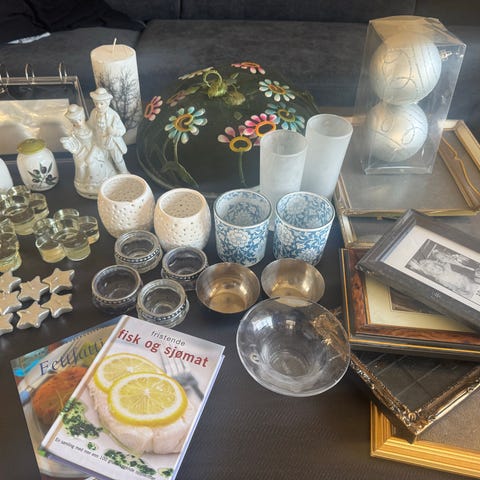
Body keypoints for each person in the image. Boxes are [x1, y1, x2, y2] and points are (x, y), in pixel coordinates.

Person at [60, 104, 117, 198]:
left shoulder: (91, 126)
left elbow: (98, 138)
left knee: (90, 161)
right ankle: (83, 184)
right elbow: (75, 144)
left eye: (80, 120)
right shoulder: (74, 132)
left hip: (95, 147)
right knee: (80, 165)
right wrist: (68, 145)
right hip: (82, 150)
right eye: (75, 122)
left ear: (83, 117)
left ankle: (97, 184)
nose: (78, 123)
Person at [87, 87, 129, 174]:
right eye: (96, 103)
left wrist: (114, 131)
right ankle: (111, 173)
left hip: (112, 142)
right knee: (106, 159)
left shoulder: (113, 115)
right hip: (100, 141)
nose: (98, 106)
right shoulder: (94, 113)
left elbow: (122, 130)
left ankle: (124, 172)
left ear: (107, 103)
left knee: (117, 159)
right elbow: (90, 125)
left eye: (101, 103)